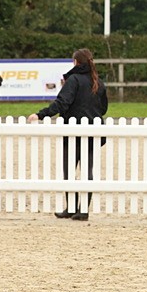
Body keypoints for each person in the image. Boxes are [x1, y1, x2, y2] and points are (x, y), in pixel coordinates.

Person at [27, 48, 108, 220]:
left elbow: (62, 103)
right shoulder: (98, 82)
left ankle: (72, 207)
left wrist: (40, 114)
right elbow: (103, 108)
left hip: (73, 132)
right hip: (92, 132)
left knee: (69, 171)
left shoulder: (73, 80)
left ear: (76, 62)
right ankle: (83, 210)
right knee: (88, 171)